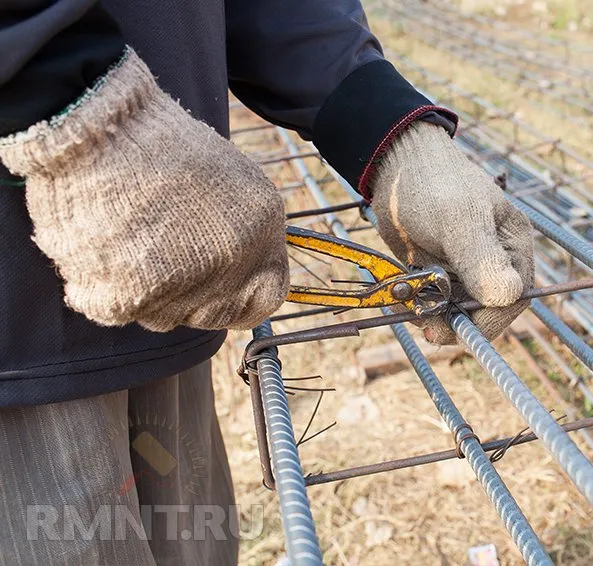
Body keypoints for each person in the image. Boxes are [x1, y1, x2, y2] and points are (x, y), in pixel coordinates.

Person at [0, 1, 535, 564]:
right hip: (18, 338)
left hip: (165, 297)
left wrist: (383, 120)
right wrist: (72, 112)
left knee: (195, 541)